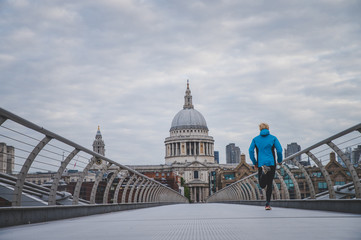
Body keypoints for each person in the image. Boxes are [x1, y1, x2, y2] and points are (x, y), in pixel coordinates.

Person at [249, 123, 283, 210]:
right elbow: (279, 150)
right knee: (270, 184)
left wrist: (255, 162)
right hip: (271, 163)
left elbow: (250, 151)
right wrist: (279, 160)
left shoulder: (255, 139)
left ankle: (263, 173)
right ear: (268, 128)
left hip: (261, 164)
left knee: (262, 185)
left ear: (260, 129)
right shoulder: (273, 138)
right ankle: (267, 204)